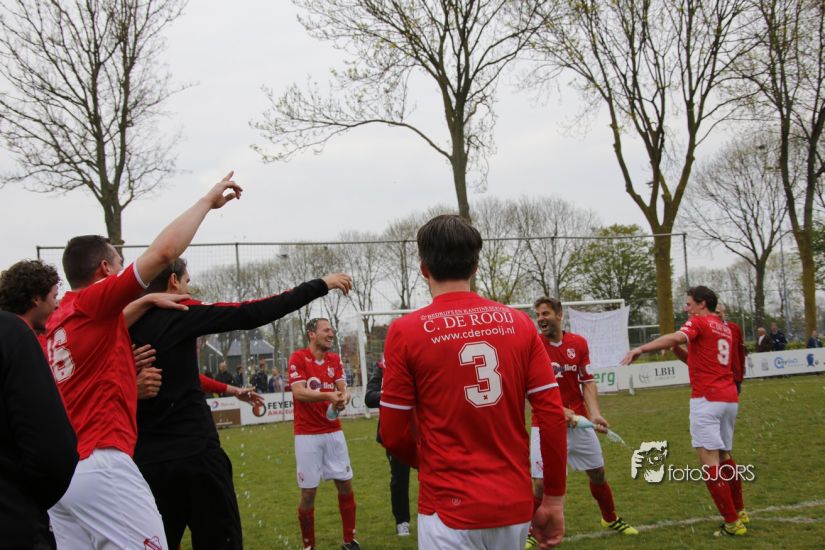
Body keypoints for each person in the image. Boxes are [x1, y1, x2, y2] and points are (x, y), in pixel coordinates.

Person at [44, 171, 243, 548]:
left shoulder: (59, 321)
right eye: (118, 264)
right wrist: (206, 203)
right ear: (105, 270)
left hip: (64, 475)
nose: (122, 271)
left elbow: (105, 331)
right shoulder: (94, 301)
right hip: (103, 463)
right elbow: (164, 253)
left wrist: (148, 300)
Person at [129, 258, 352, 549]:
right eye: (186, 281)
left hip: (146, 460)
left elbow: (183, 375)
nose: (188, 289)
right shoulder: (181, 312)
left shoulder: (119, 324)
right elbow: (250, 312)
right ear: (173, 282)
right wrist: (321, 284)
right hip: (196, 455)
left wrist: (230, 389)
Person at [380, 214, 568, 550]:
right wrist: (553, 499)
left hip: (447, 508)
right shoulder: (519, 323)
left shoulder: (405, 331)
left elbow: (393, 434)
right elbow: (552, 415)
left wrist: (431, 462)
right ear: (475, 267)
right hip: (513, 503)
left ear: (423, 269)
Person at [622, 286, 748, 537]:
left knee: (709, 462)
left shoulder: (699, 322)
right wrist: (676, 350)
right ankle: (740, 510)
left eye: (689, 303)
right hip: (728, 399)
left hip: (707, 399)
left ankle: (733, 523)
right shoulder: (723, 327)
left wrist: (641, 349)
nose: (686, 308)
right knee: (724, 456)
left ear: (702, 304)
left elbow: (676, 336)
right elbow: (696, 360)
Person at [529, 297, 637, 546]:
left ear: (559, 315)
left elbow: (587, 381)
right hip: (545, 424)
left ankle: (610, 518)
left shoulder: (578, 343)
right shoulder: (534, 345)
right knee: (541, 484)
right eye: (538, 315)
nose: (541, 319)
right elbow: (527, 387)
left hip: (579, 422)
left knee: (598, 473)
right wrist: (557, 410)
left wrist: (595, 413)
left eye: (545, 313)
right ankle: (531, 532)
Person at [0, 261, 78, 549]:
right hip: (13, 518)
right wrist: (30, 501)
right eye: (54, 296)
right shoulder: (15, 334)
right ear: (36, 298)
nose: (57, 304)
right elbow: (51, 449)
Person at [289, 317, 359, 550]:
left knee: (345, 485)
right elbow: (299, 392)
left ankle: (349, 541)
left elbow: (343, 389)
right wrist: (328, 396)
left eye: (332, 330)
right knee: (308, 493)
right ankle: (309, 546)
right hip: (307, 435)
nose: (331, 334)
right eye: (326, 330)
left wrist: (342, 398)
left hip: (333, 432)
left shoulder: (334, 359)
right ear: (312, 334)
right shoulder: (298, 358)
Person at [364, 356, 412, 537]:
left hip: (421, 427)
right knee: (400, 477)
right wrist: (392, 394)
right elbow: (369, 397)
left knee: (431, 474)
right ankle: (402, 521)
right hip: (395, 431)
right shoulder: (382, 367)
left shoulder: (416, 361)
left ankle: (436, 515)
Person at [673, 302, 747, 394]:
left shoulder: (734, 328)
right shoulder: (703, 328)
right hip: (710, 379)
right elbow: (691, 359)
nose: (715, 315)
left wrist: (739, 374)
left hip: (732, 376)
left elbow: (740, 352)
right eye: (713, 312)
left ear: (724, 312)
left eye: (718, 312)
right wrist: (675, 346)